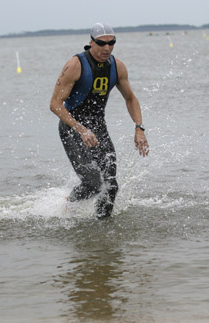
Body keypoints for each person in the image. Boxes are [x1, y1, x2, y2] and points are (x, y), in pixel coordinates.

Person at [50, 22, 149, 218]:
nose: (107, 48)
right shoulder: (75, 65)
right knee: (94, 184)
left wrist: (139, 128)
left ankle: (102, 228)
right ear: (91, 42)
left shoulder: (117, 66)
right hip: (72, 128)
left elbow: (131, 98)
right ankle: (66, 206)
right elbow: (55, 104)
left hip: (98, 127)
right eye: (101, 43)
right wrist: (81, 129)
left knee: (111, 185)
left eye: (111, 43)